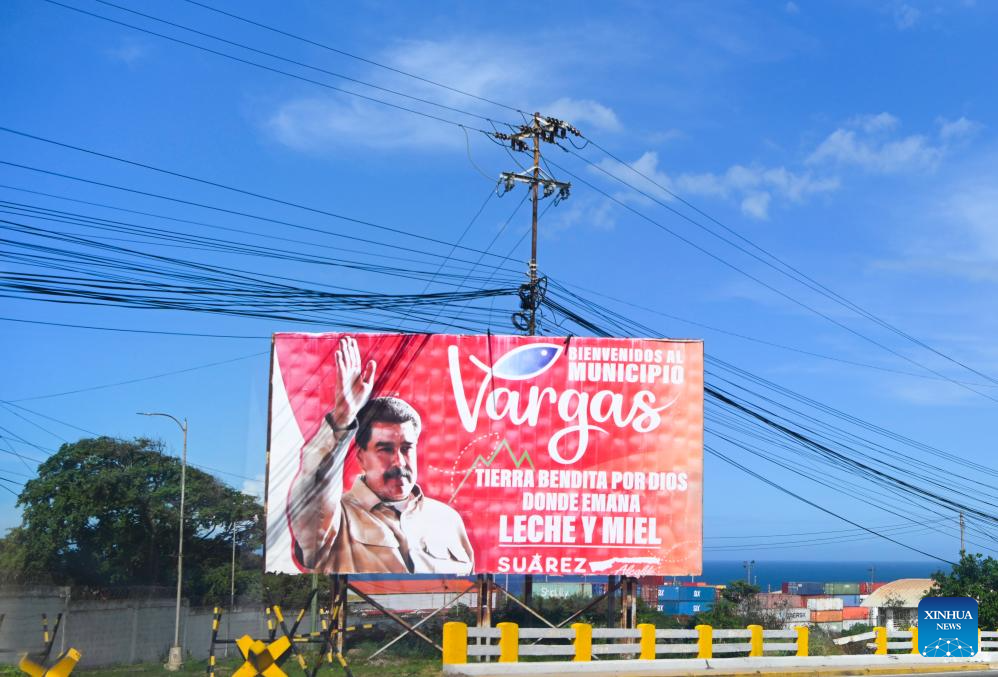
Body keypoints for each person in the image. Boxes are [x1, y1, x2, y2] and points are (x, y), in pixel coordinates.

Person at [287, 336, 474, 574]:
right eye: (385, 449)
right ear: (361, 457)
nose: (399, 461)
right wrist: (342, 419)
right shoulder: (337, 517)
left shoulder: (446, 519)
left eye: (406, 448)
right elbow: (312, 491)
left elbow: (469, 584)